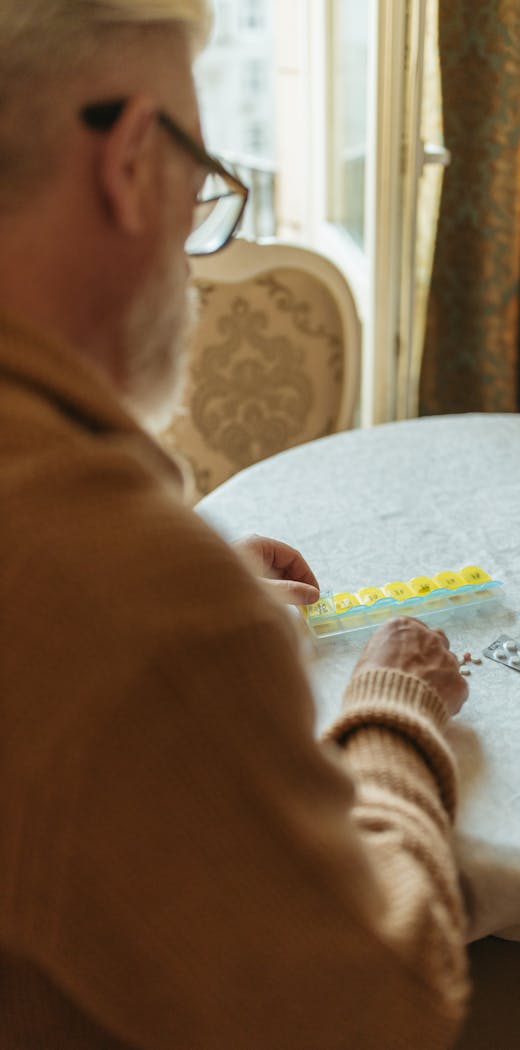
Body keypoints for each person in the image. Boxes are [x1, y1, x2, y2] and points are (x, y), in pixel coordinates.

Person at [0, 3, 472, 1047]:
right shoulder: (141, 603)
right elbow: (387, 1012)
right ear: (129, 163)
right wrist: (391, 713)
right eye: (201, 180)